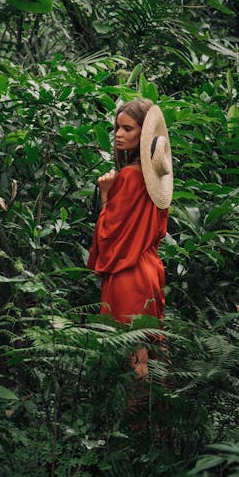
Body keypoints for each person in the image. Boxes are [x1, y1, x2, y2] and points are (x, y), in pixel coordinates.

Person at [87, 98, 173, 376]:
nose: (119, 135)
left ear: (143, 135)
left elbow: (109, 237)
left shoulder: (127, 178)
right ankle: (158, 414)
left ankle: (135, 417)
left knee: (135, 358)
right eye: (117, 128)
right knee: (152, 352)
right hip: (150, 271)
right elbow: (157, 232)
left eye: (128, 129)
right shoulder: (154, 183)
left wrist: (105, 196)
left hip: (128, 275)